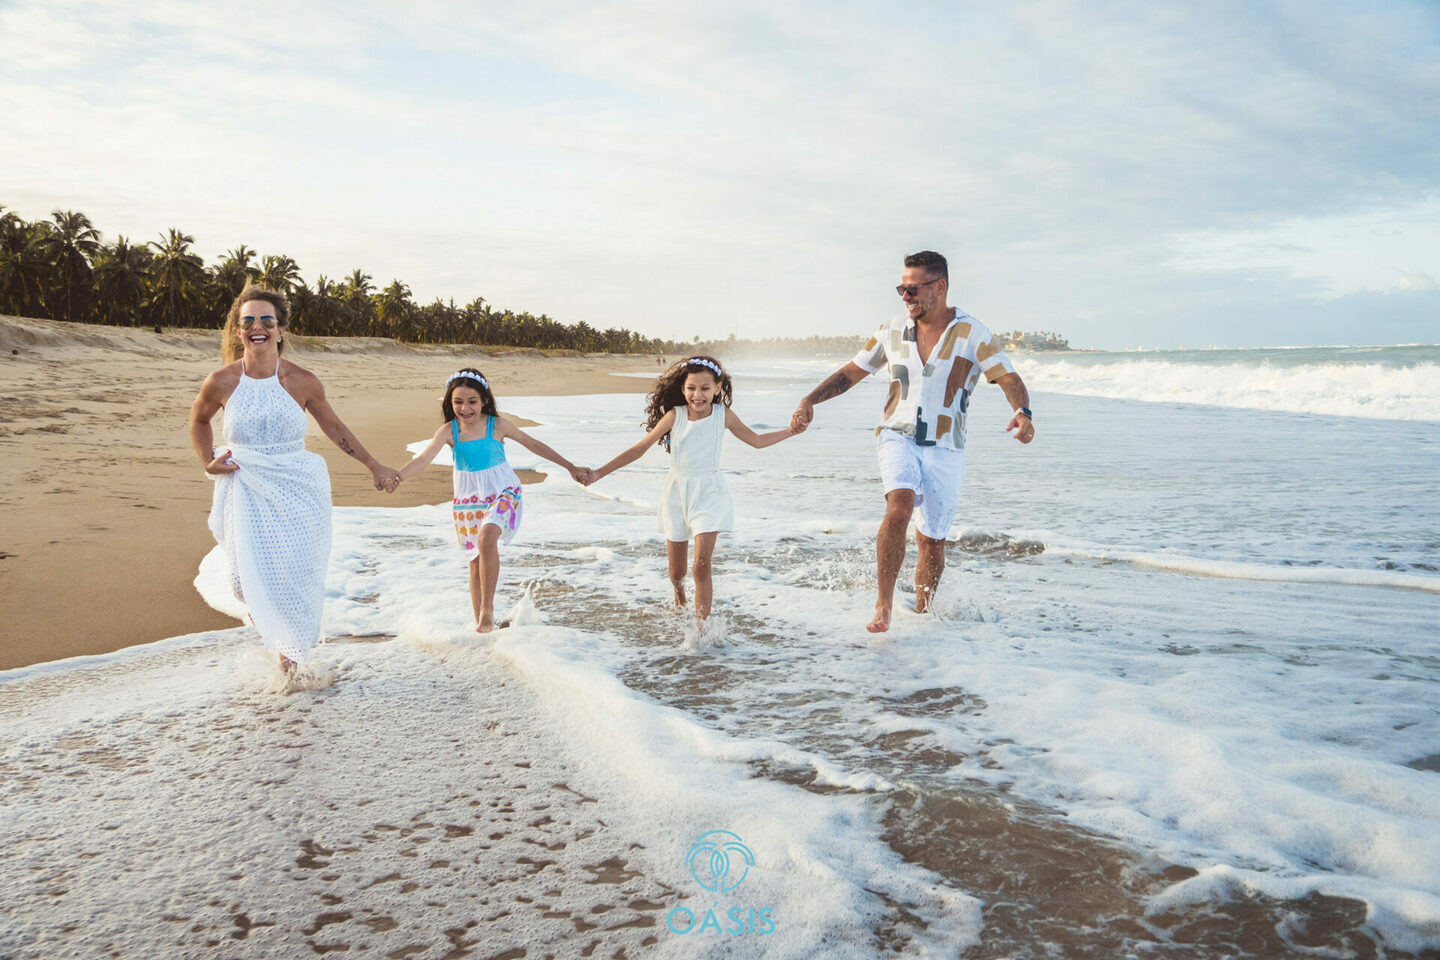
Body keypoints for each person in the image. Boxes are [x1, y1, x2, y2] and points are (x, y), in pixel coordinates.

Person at [791, 251, 1035, 633]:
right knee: (899, 505)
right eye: (901, 289)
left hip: (947, 445)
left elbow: (1008, 377)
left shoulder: (973, 334)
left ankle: (923, 612)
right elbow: (852, 372)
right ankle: (884, 605)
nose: (905, 296)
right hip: (896, 434)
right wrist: (810, 399)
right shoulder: (890, 331)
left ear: (940, 287)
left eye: (913, 289)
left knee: (931, 541)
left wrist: (1023, 412)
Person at [189, 285, 400, 673]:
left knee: (293, 576)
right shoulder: (222, 381)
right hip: (245, 485)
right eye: (249, 321)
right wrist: (207, 460)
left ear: (281, 329)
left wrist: (374, 465)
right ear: (238, 330)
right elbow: (199, 420)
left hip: (298, 488)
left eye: (266, 321)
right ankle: (274, 632)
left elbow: (334, 427)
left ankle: (291, 666)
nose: (258, 327)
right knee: (242, 582)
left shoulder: (302, 381)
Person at [586, 356, 802, 624]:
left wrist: (791, 432)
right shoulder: (674, 416)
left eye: (705, 388)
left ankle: (701, 632)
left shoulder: (724, 416)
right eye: (691, 388)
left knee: (700, 566)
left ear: (717, 388)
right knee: (676, 573)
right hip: (677, 494)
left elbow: (756, 440)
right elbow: (638, 450)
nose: (697, 395)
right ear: (683, 388)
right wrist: (598, 473)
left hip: (710, 493)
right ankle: (679, 594)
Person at [393, 368, 590, 633]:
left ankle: (488, 609)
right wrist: (398, 477)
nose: (465, 408)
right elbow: (422, 460)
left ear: (484, 400)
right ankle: (483, 628)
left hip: (503, 492)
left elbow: (534, 445)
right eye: (458, 402)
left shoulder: (496, 425)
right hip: (469, 500)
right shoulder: (449, 431)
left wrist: (569, 466)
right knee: (475, 561)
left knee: (486, 540)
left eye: (472, 401)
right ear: (450, 403)